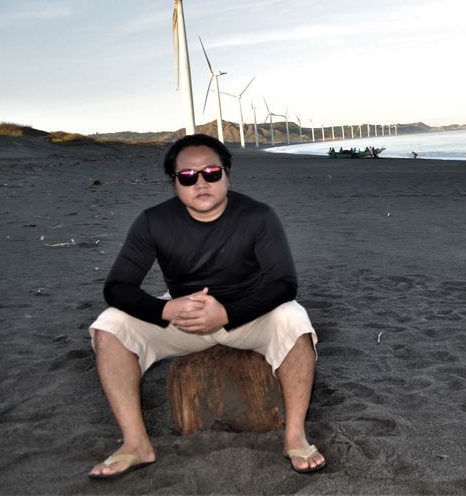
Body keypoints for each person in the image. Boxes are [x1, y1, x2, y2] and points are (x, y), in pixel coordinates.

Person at [87, 134, 326, 479]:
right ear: (174, 183)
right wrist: (166, 310)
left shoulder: (259, 216)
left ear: (228, 175)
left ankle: (295, 437)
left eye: (212, 172)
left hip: (248, 315)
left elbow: (284, 284)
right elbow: (117, 287)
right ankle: (136, 443)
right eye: (188, 176)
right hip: (183, 317)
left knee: (294, 318)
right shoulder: (153, 222)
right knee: (110, 325)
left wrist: (227, 314)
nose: (200, 182)